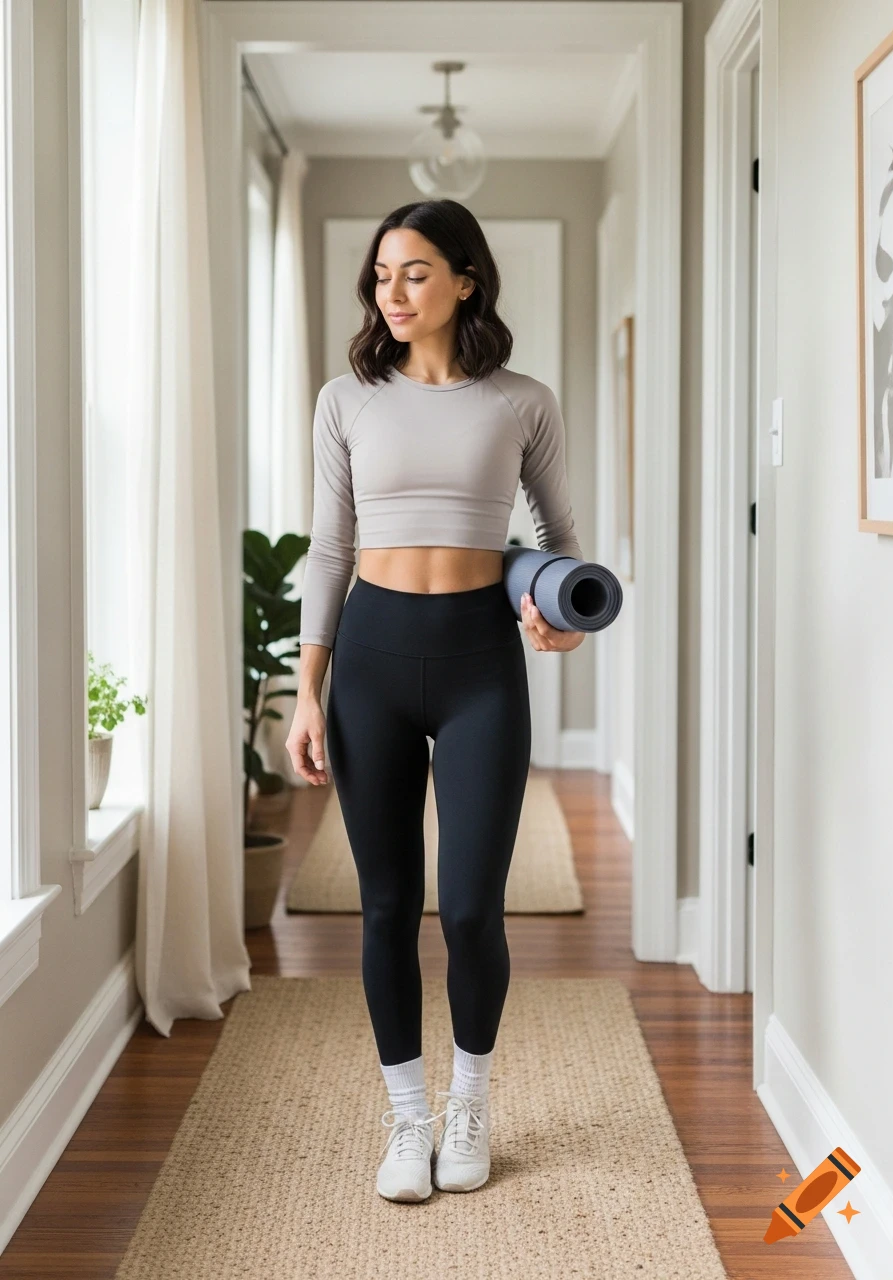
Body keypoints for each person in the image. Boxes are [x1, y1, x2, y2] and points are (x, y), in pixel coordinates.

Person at [285, 198, 585, 1203]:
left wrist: (561, 617)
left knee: (466, 908)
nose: (393, 292)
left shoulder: (522, 401)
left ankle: (469, 1104)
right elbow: (329, 548)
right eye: (381, 275)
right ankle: (407, 1117)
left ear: (465, 279)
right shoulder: (346, 400)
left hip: (479, 663)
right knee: (382, 906)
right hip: (370, 657)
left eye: (414, 272)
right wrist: (307, 692)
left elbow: (561, 538)